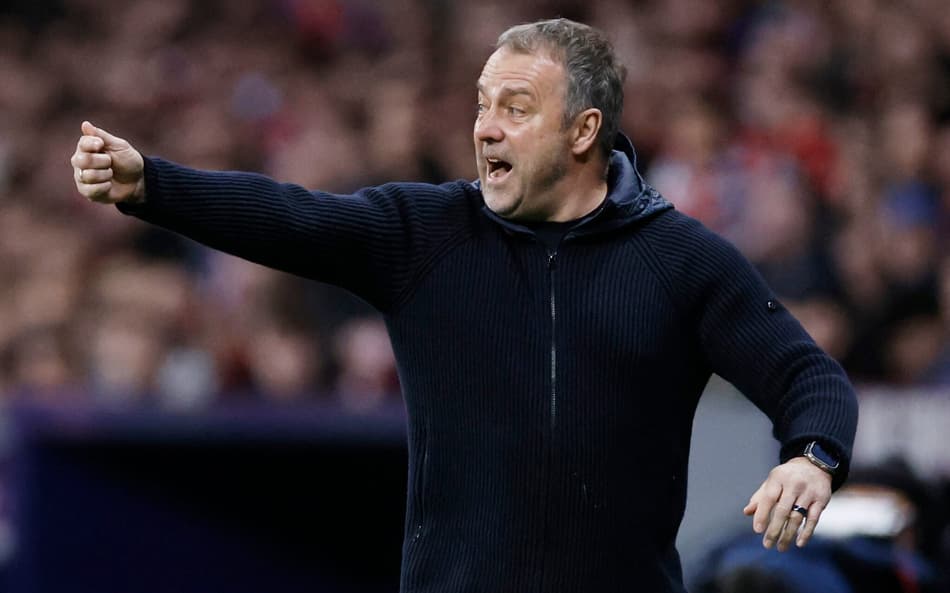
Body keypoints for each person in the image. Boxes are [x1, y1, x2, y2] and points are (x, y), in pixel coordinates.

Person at [70, 18, 858, 593]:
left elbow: (807, 378)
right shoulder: (424, 234)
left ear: (584, 130)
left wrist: (812, 456)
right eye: (482, 104)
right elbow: (293, 216)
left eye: (515, 106)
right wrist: (152, 184)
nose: (485, 127)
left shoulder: (681, 259)